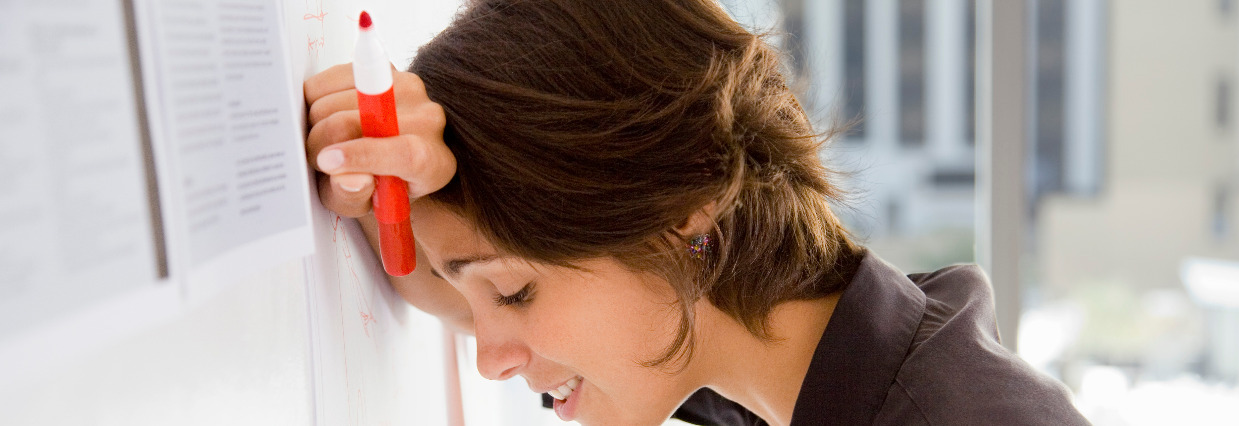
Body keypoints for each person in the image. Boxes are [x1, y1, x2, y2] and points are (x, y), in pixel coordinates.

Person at [302, 0, 1090, 424]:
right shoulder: (761, 355)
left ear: (681, 213)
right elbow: (436, 284)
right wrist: (379, 175)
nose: (490, 354)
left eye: (515, 293)